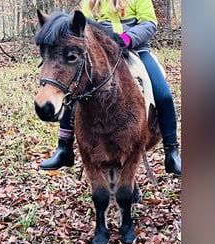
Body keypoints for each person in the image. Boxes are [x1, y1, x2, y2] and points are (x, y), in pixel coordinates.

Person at [40, 0, 181, 176]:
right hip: (103, 54)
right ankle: (64, 146)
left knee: (163, 94)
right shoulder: (90, 3)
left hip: (137, 49)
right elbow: (85, 30)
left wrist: (127, 39)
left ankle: (171, 151)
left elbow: (149, 23)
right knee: (72, 89)